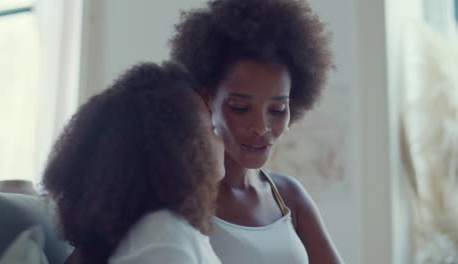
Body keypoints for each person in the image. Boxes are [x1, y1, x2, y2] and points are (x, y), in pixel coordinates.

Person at [170, 0, 344, 263]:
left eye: (277, 110)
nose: (261, 127)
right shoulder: (175, 196)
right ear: (206, 100)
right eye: (240, 108)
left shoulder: (288, 195)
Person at [42, 62, 224, 264]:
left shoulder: (153, 232)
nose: (221, 138)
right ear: (177, 149)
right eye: (211, 127)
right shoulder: (165, 236)